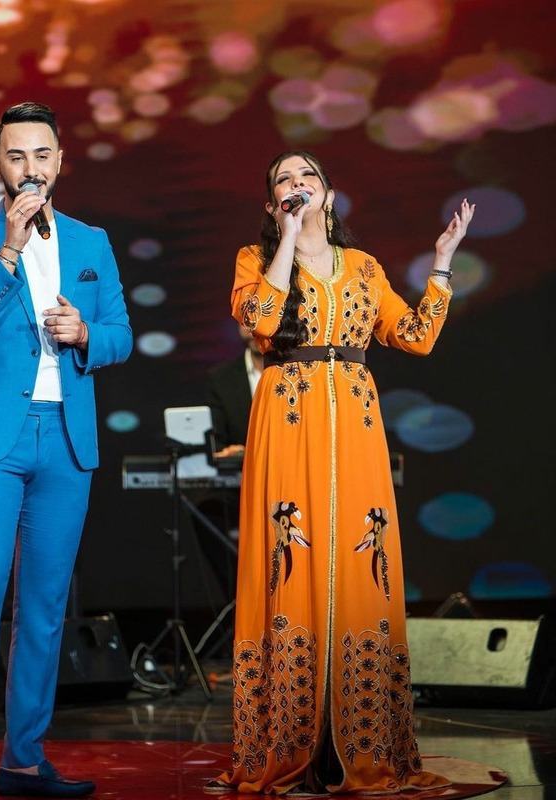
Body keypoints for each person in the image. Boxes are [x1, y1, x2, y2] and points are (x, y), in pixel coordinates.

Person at [209, 151, 475, 795]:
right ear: (272, 202)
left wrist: (441, 263)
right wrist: (285, 242)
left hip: (355, 421)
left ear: (329, 194)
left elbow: (416, 336)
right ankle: (289, 743)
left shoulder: (364, 268)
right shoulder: (254, 259)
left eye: (308, 177)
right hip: (287, 415)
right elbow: (261, 321)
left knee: (362, 561)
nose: (298, 185)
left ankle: (362, 742)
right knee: (290, 559)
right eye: (284, 180)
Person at [0, 101, 132, 800]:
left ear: (59, 161)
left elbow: (121, 334)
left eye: (41, 155)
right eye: (16, 155)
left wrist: (87, 334)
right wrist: (10, 250)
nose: (30, 168)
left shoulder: (91, 241)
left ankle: (24, 758)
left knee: (45, 606)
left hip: (65, 438)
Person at [192, 324, 262, 604]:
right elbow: (216, 441)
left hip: (290, 484)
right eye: (249, 321)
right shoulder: (222, 378)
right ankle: (239, 600)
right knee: (206, 510)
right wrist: (232, 452)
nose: (256, 329)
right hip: (240, 484)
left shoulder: (298, 374)